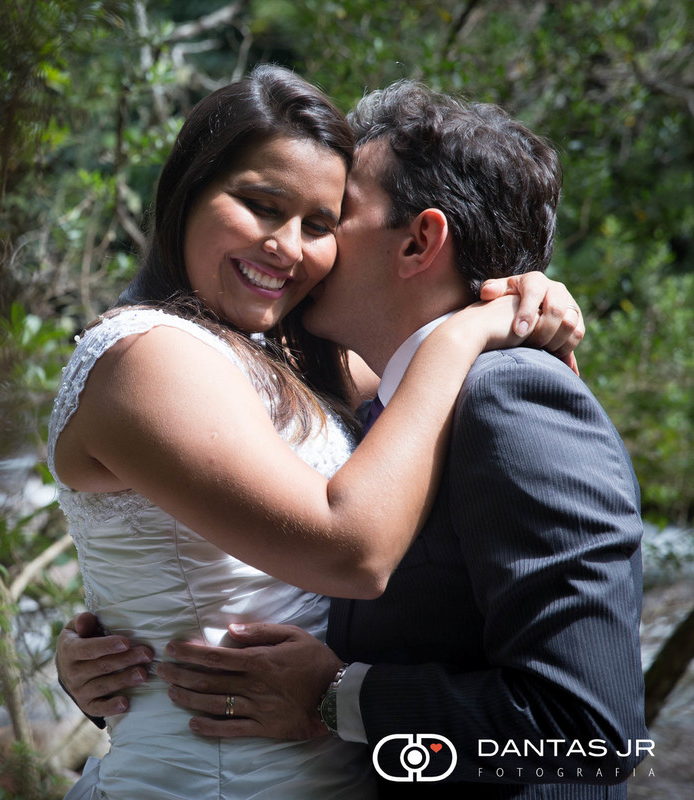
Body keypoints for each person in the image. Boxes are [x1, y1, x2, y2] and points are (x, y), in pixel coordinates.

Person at [61, 81, 647, 798]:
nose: (294, 248)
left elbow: (592, 735)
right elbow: (343, 559)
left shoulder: (492, 392)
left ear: (420, 240)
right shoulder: (160, 356)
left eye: (328, 220)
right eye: (262, 205)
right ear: (188, 190)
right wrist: (134, 652)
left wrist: (338, 697)